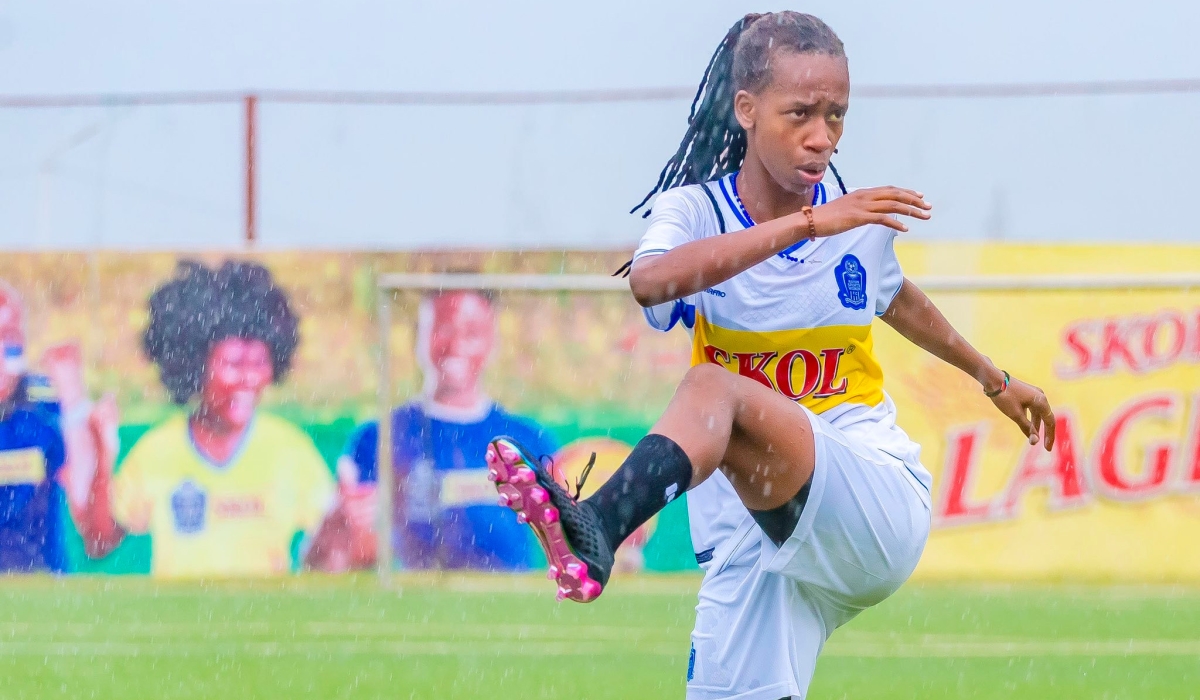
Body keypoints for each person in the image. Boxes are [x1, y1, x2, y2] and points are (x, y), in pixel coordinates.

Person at [487, 12, 1056, 699]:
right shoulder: (695, 213)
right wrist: (809, 223)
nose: (822, 138)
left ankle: (600, 527)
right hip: (758, 539)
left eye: (837, 116)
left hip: (867, 498)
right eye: (800, 114)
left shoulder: (853, 222)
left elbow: (898, 297)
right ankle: (598, 535)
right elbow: (651, 282)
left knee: (713, 386)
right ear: (746, 109)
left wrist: (992, 378)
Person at [75, 260, 373, 577]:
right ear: (195, 365)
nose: (247, 379)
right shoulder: (158, 451)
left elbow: (330, 561)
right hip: (180, 620)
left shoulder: (290, 451)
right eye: (233, 364)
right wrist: (103, 456)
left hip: (268, 623)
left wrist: (345, 525)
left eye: (258, 363)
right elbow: (98, 542)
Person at [342, 288, 557, 570]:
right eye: (443, 329)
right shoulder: (379, 437)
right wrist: (347, 528)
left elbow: (573, 547)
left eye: (472, 332)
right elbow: (342, 556)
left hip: (511, 609)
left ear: (492, 342)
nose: (456, 344)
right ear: (418, 337)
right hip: (415, 605)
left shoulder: (529, 440)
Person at [0, 282, 67, 573]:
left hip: (39, 579)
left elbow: (79, 485)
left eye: (9, 338)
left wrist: (74, 399)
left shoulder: (46, 403)